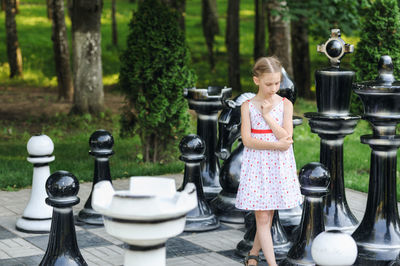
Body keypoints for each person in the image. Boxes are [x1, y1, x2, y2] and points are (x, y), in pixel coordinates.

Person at [235, 56, 302, 266]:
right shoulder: (247, 106)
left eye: (277, 83)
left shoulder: (285, 104)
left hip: (278, 165)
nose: (274, 88)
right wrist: (275, 145)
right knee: (262, 217)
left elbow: (286, 137)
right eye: (269, 83)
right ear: (256, 81)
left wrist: (267, 117)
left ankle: (253, 253)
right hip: (257, 165)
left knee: (269, 213)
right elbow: (247, 140)